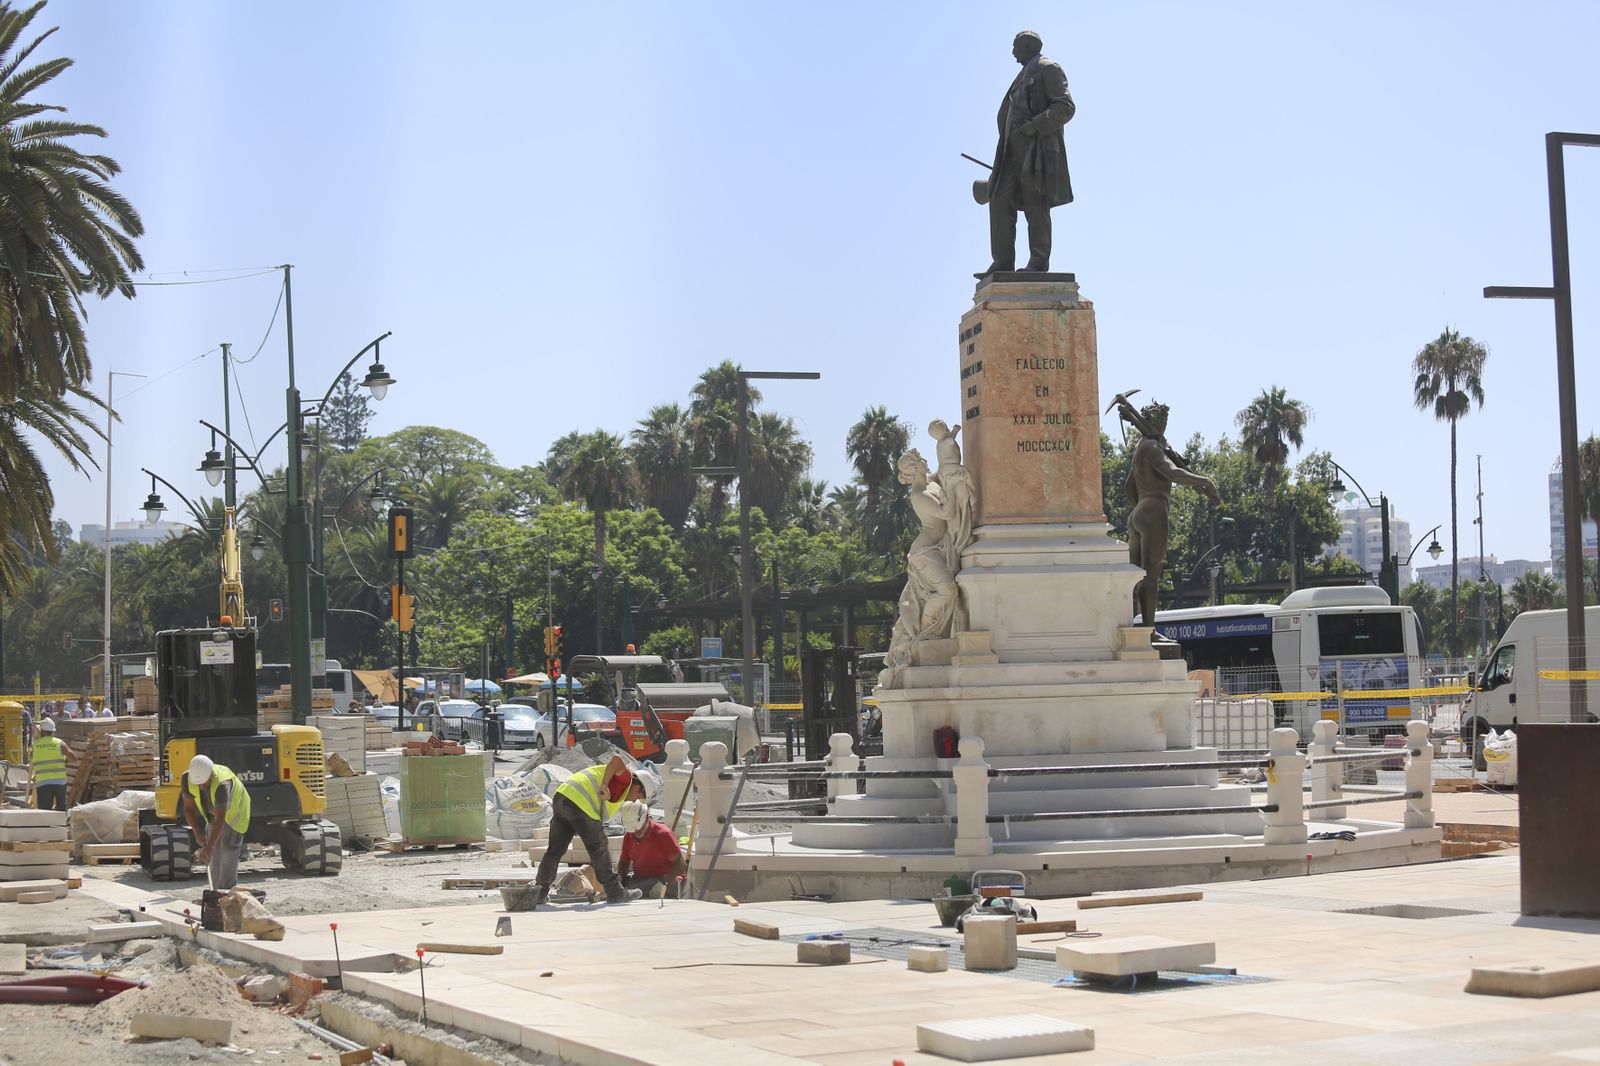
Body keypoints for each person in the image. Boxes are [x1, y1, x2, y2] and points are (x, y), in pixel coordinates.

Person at [978, 30, 1076, 276]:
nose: (1013, 53)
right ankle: (1002, 262)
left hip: (1036, 152)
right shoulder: (1022, 75)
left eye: (1016, 47)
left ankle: (1038, 262)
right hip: (1009, 153)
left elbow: (1065, 107)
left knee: (1036, 206)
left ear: (1029, 46)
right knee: (999, 200)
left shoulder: (1047, 68)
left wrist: (1033, 127)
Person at [1124, 401, 1220, 625]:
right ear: (1149, 422)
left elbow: (1129, 486)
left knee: (1135, 577)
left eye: (1164, 422)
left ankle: (1131, 627)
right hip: (1155, 511)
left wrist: (1139, 508)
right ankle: (1149, 630)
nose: (1162, 426)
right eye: (1158, 421)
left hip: (1138, 514)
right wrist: (1204, 480)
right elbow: (1173, 473)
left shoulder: (1142, 446)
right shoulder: (1153, 447)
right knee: (1151, 576)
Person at [533, 755, 646, 907]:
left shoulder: (620, 791)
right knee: (599, 846)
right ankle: (615, 892)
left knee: (555, 850)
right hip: (579, 802)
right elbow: (617, 760)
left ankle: (540, 891)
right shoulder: (626, 780)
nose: (633, 801)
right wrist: (605, 785)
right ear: (637, 787)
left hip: (562, 798)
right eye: (637, 797)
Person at [180, 754, 252, 892]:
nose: (202, 786)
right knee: (212, 858)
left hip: (235, 815)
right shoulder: (187, 778)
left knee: (227, 855)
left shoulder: (222, 784)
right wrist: (197, 832)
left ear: (211, 775)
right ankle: (215, 893)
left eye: (205, 783)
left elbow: (220, 820)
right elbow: (188, 809)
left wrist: (209, 846)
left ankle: (228, 893)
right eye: (198, 783)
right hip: (214, 815)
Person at [616, 800, 687, 899]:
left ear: (646, 818)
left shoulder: (663, 834)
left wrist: (664, 883)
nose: (637, 833)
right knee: (621, 889)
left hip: (665, 881)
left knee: (638, 889)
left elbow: (680, 865)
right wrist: (619, 882)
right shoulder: (629, 836)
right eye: (634, 831)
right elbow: (624, 862)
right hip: (641, 880)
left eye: (640, 829)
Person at [30, 718, 77, 812]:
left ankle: (46, 826)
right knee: (61, 810)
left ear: (42, 731)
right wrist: (65, 760)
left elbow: (32, 760)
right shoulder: (59, 743)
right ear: (53, 731)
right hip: (59, 781)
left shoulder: (35, 745)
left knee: (45, 811)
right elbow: (74, 758)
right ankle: (60, 825)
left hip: (43, 782)